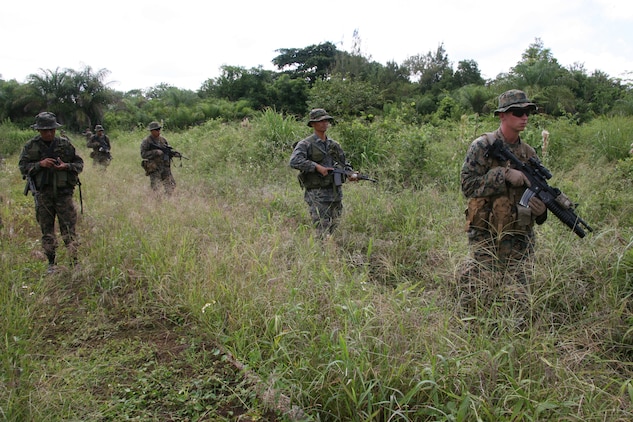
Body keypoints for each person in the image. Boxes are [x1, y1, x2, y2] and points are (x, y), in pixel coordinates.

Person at [460, 89, 548, 290]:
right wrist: (503, 174)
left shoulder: (529, 154)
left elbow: (539, 194)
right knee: (478, 288)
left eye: (528, 112)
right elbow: (468, 186)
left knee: (519, 294)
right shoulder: (483, 146)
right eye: (518, 112)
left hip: (519, 237)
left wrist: (541, 211)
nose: (524, 117)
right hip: (486, 235)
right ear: (502, 115)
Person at [18, 112, 84, 273]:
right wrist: (40, 164)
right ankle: (51, 263)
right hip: (43, 194)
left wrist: (66, 166)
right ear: (39, 130)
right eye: (44, 130)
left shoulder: (65, 144)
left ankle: (74, 262)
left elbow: (79, 164)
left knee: (69, 229)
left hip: (63, 194)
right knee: (47, 230)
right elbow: (23, 167)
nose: (48, 133)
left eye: (51, 130)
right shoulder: (31, 146)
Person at [289, 108, 357, 237]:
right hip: (317, 193)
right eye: (320, 121)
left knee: (334, 225)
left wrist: (350, 174)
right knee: (321, 228)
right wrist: (316, 167)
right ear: (313, 124)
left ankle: (331, 251)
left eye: (326, 120)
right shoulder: (306, 144)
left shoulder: (334, 145)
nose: (324, 123)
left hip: (335, 192)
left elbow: (344, 164)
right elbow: (294, 161)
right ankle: (321, 254)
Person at [140, 121, 176, 195]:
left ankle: (167, 200)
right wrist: (155, 152)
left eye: (159, 129)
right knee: (156, 188)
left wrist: (173, 154)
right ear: (152, 131)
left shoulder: (163, 140)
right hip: (154, 168)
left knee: (171, 186)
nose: (158, 131)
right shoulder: (147, 141)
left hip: (165, 167)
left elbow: (167, 151)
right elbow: (143, 154)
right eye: (156, 129)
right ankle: (156, 203)